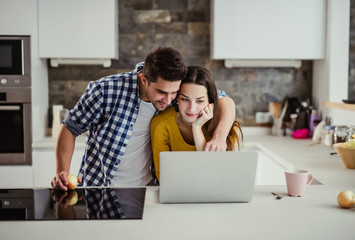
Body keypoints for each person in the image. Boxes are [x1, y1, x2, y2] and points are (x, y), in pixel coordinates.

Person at [51, 47, 236, 190]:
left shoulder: (178, 94)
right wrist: (63, 172)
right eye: (161, 92)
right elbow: (69, 128)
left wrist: (219, 138)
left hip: (145, 190)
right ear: (144, 79)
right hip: (101, 188)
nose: (168, 100)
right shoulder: (105, 91)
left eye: (174, 93)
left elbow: (224, 100)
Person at [150, 66, 243, 182]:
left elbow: (214, 176)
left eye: (200, 101)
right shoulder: (161, 125)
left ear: (210, 101)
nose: (192, 109)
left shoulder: (225, 126)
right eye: (185, 99)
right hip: (178, 194)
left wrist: (196, 127)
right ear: (177, 98)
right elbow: (163, 177)